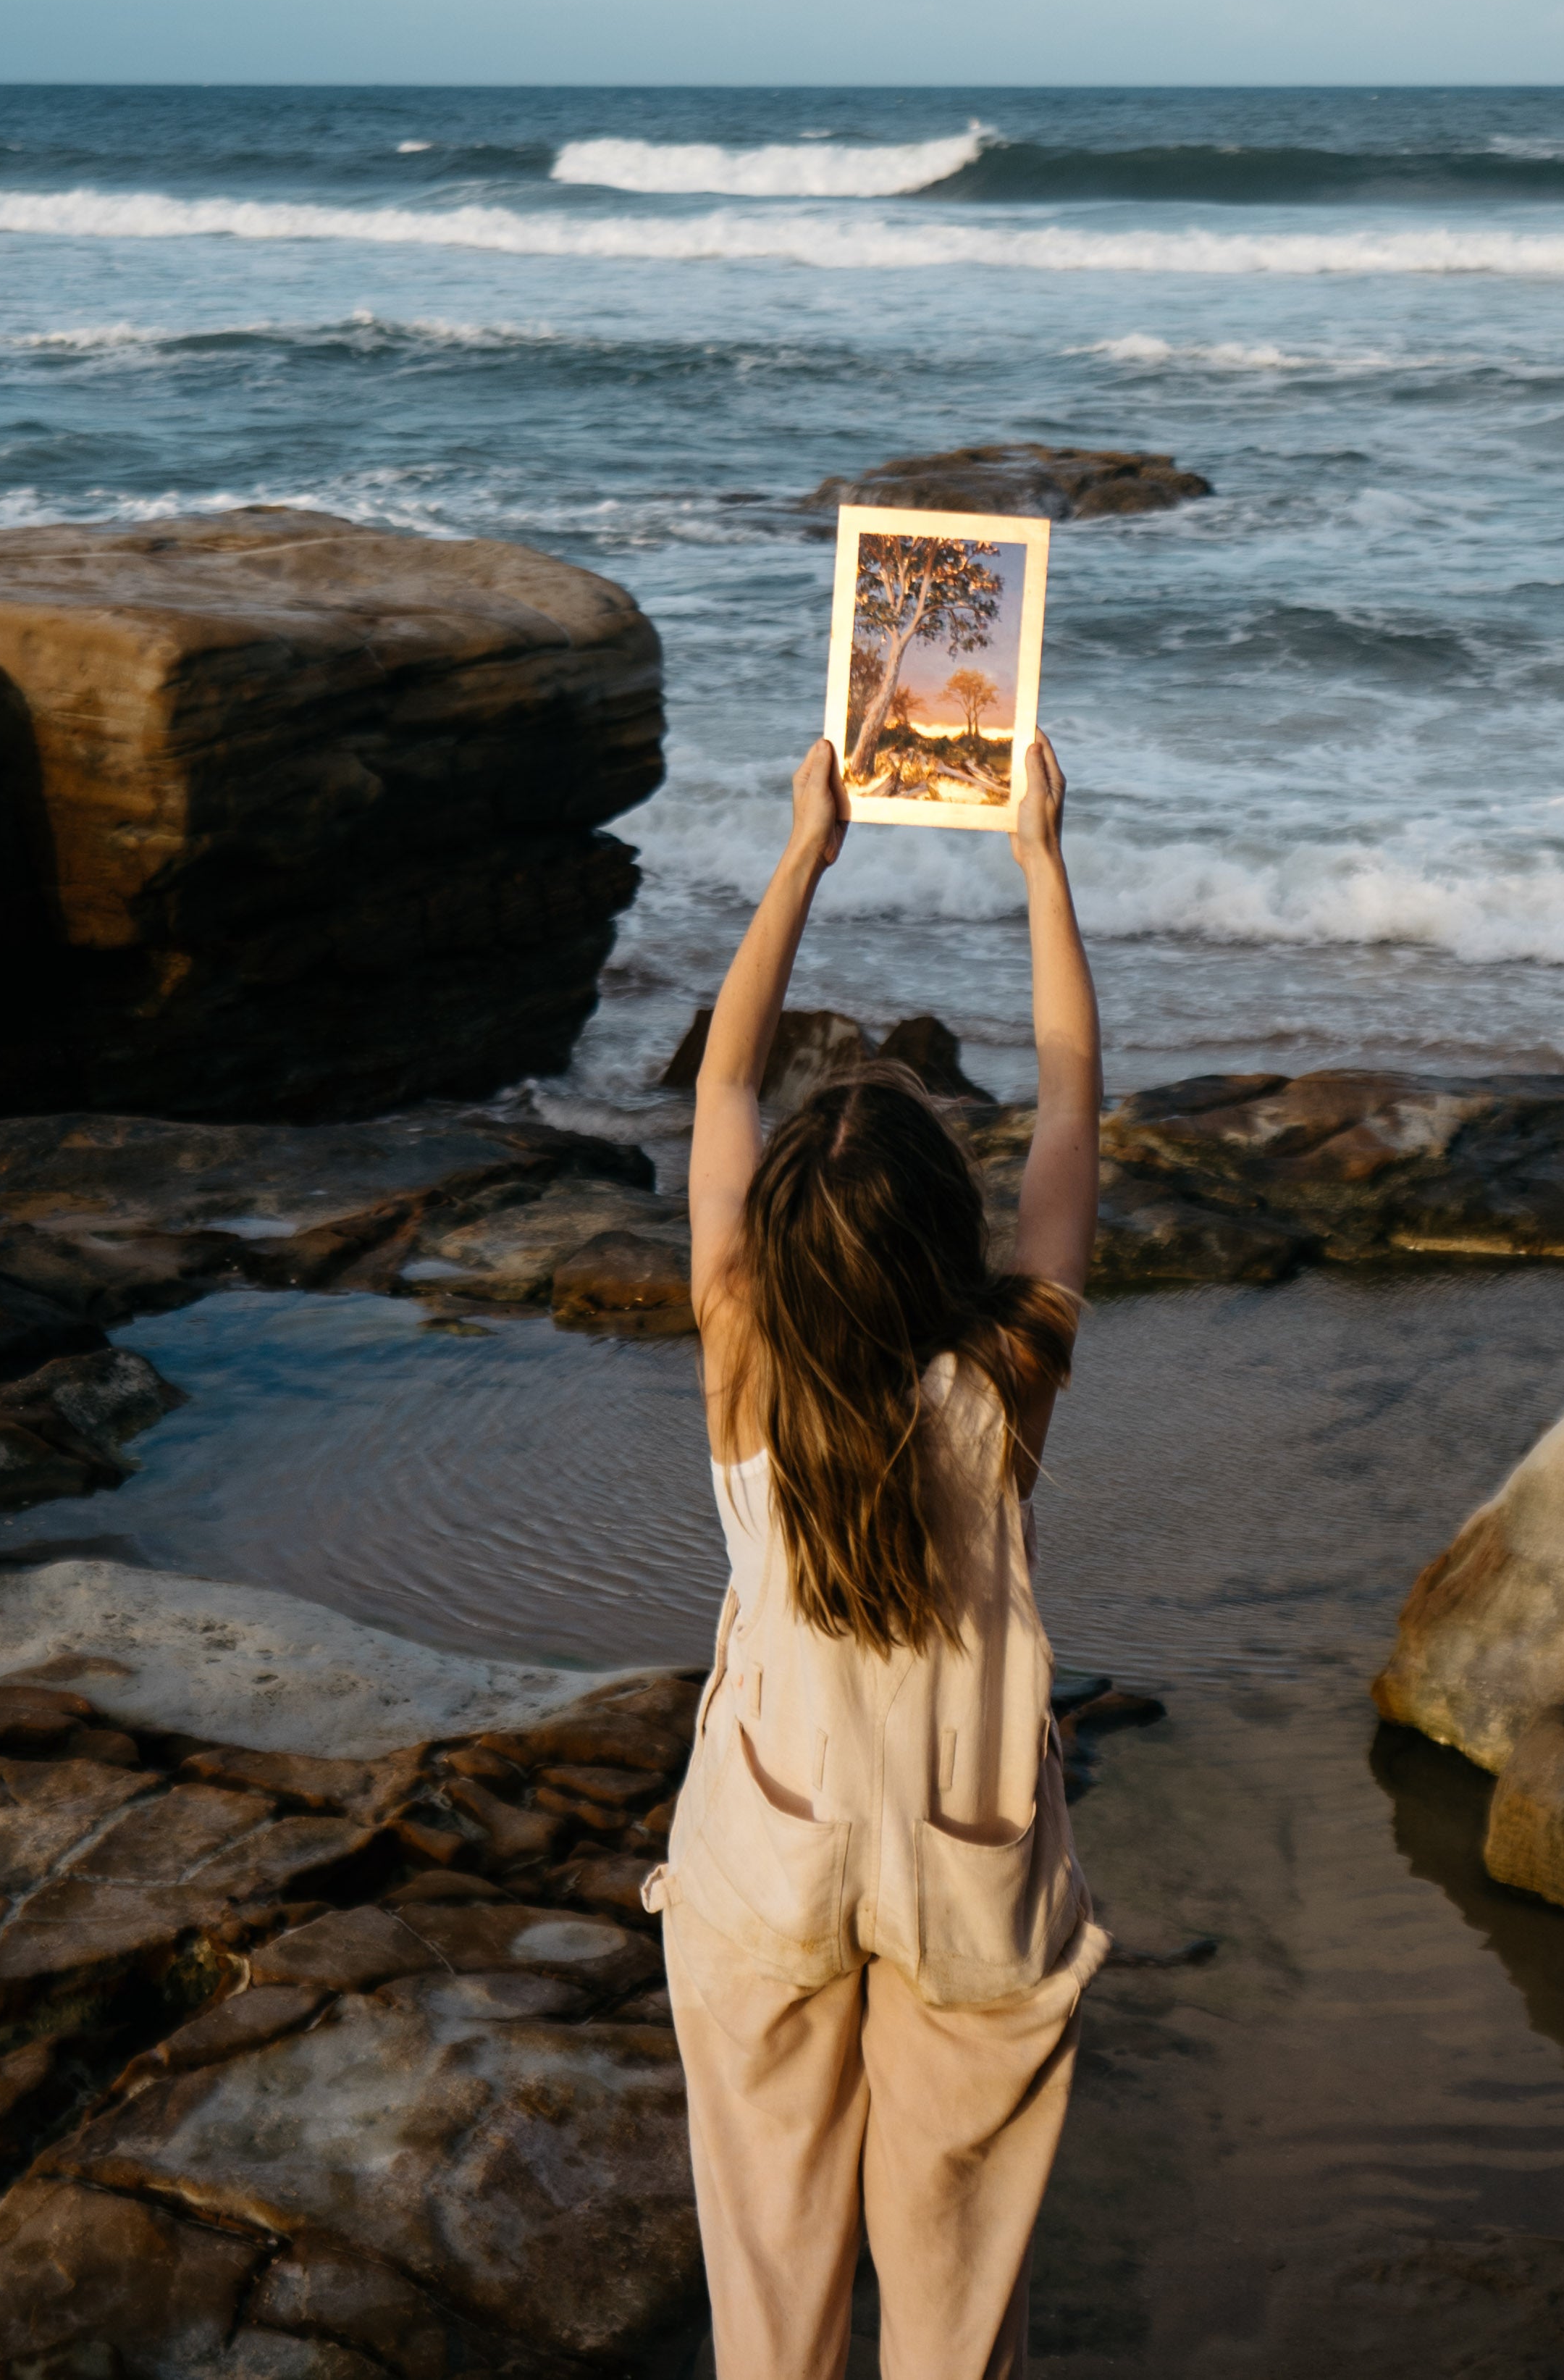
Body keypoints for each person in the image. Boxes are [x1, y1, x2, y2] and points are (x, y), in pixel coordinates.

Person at [642, 729, 1106, 2380]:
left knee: (772, 2300)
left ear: (772, 1242)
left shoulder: (741, 1356)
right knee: (957, 2309)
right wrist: (1040, 861)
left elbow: (717, 1086)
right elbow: (1065, 1098)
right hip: (967, 1863)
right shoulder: (1004, 1381)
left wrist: (801, 856)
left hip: (769, 1850)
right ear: (949, 1246)